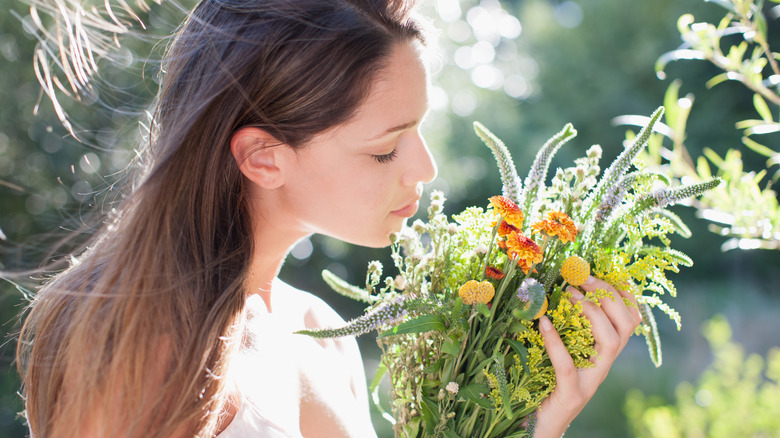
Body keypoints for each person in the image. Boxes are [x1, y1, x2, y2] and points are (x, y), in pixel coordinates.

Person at [15, 0, 642, 436]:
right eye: (384, 148)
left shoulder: (321, 329)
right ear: (263, 158)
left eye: (418, 131)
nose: (422, 168)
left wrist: (533, 425)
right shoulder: (137, 348)